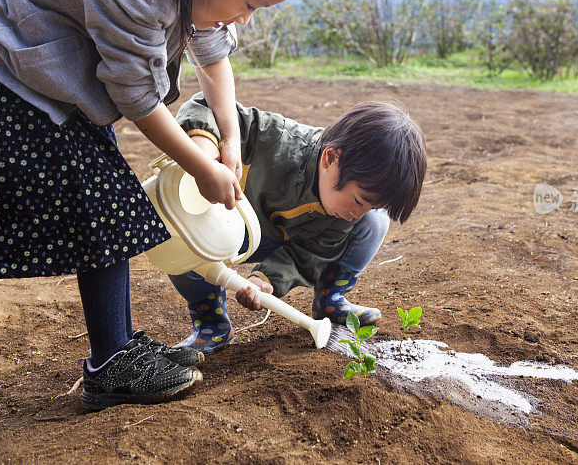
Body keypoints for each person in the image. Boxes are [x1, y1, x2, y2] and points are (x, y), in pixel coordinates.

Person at [0, 0, 309, 409]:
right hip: (6, 64)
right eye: (251, 3)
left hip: (54, 70)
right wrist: (199, 165)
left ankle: (114, 351)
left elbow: (212, 53)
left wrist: (231, 137)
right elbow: (136, 95)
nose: (245, 18)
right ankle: (112, 362)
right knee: (106, 206)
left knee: (102, 202)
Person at [168, 93, 427, 354]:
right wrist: (205, 156)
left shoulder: (346, 215)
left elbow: (309, 255)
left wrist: (265, 279)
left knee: (375, 222)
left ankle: (330, 300)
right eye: (359, 200)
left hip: (279, 240)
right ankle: (212, 324)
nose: (357, 214)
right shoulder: (271, 137)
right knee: (180, 239)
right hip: (226, 226)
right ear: (331, 158)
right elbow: (203, 103)